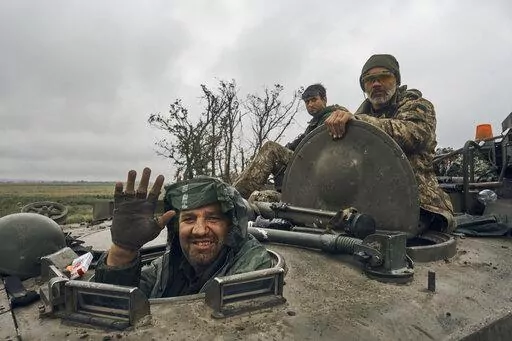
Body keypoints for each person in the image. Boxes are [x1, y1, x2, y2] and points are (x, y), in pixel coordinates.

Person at [324, 54, 455, 232]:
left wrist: (359, 123)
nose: (376, 84)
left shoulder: (419, 106)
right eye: (369, 80)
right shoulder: (358, 118)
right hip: (367, 200)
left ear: (397, 80)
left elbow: (414, 134)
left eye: (384, 77)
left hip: (418, 204)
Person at [94, 167, 273, 298]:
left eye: (213, 218)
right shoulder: (165, 268)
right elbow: (116, 303)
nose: (200, 230)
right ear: (177, 227)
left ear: (230, 227)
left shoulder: (252, 265)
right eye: (189, 219)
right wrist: (123, 250)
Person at [233, 83, 347, 201]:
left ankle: (237, 196)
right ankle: (234, 190)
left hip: (320, 168)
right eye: (307, 102)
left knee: (270, 149)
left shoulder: (333, 117)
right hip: (310, 167)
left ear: (324, 99)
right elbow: (300, 142)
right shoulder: (314, 124)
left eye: (314, 100)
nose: (310, 105)